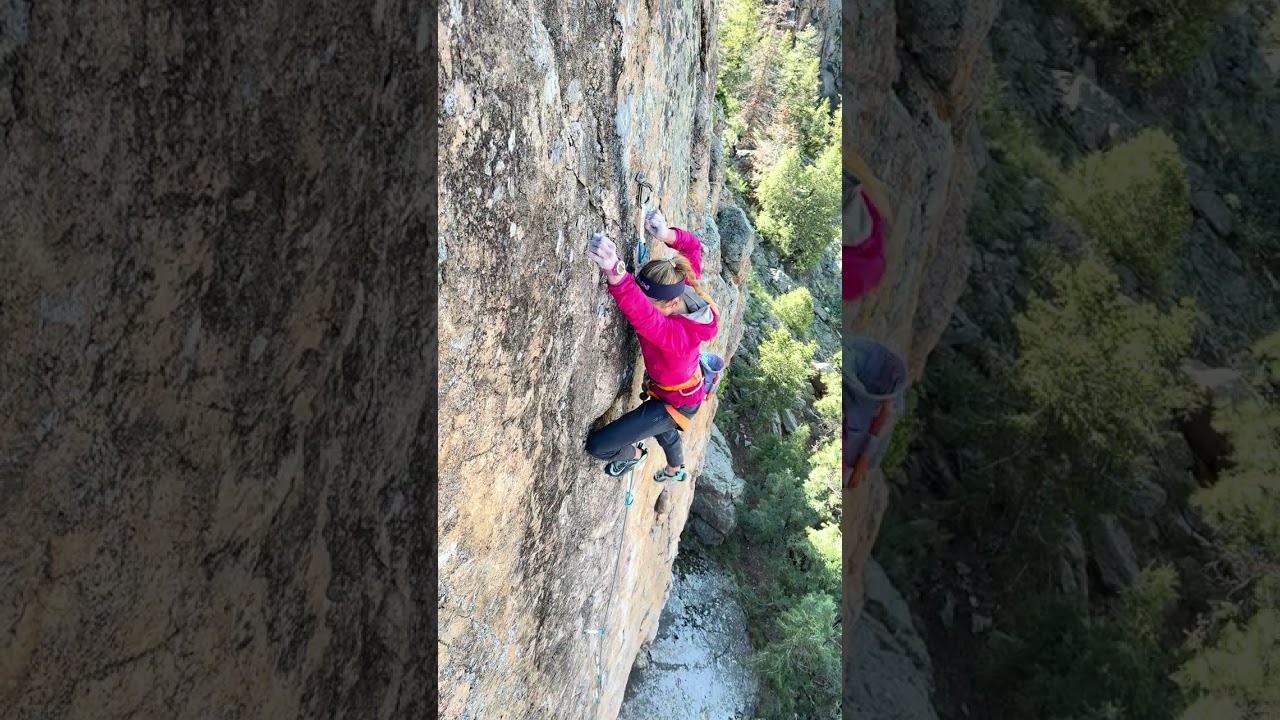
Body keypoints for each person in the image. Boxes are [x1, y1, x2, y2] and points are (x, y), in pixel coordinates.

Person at [584, 209, 719, 482]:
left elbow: (645, 318)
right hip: (678, 389)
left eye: (651, 302)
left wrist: (616, 272)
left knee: (599, 446)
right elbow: (692, 247)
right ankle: (674, 468)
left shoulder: (678, 337)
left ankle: (635, 456)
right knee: (663, 429)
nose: (646, 303)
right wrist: (666, 233)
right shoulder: (684, 281)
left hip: (677, 402)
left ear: (670, 303)